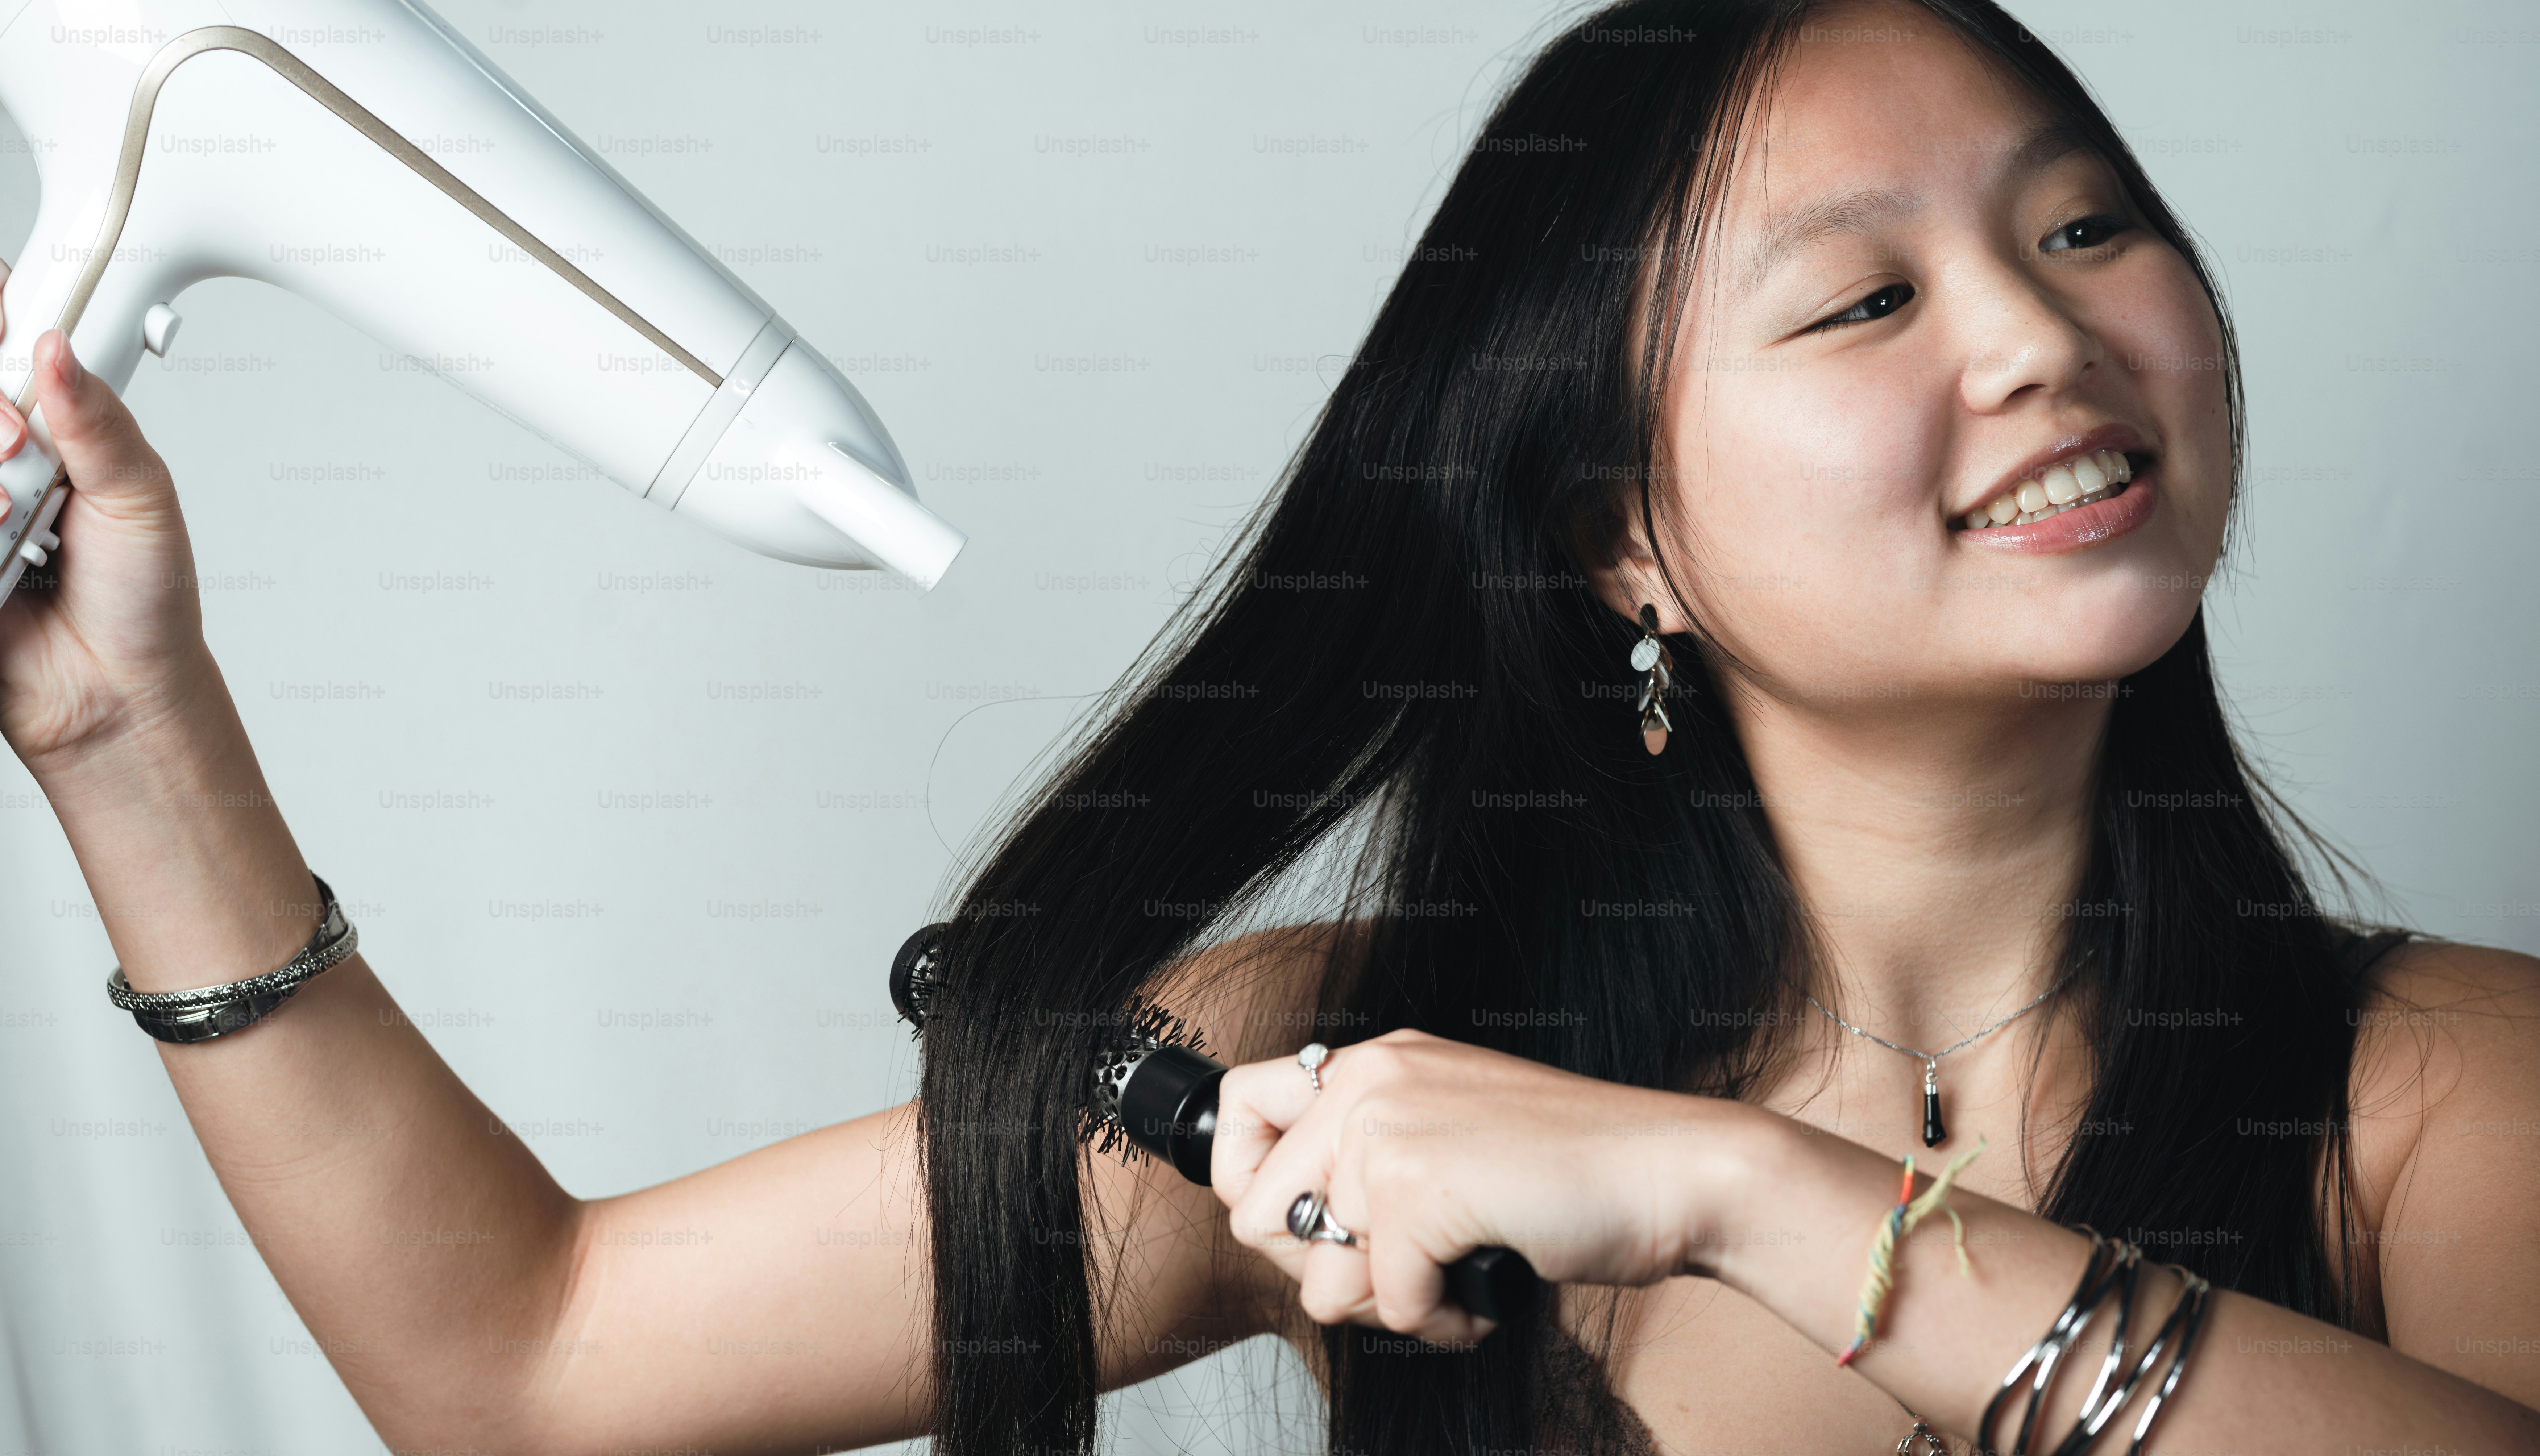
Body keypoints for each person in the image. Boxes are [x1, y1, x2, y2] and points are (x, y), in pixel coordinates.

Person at [5, 0, 2536, 1452]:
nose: (2041, 336)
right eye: (1862, 302)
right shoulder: (1364, 1057)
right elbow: (522, 1365)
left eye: (2086, 222)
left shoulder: (2449, 1102)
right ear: (1611, 540)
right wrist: (129, 726)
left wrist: (1741, 1199)